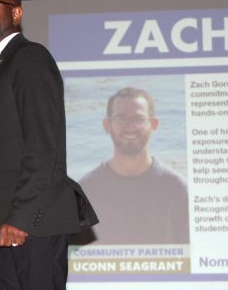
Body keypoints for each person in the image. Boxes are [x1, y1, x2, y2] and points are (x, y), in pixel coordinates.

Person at [0, 0, 98, 290]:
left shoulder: (30, 59)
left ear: (17, 13)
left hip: (31, 222)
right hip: (2, 224)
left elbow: (44, 146)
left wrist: (20, 218)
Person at [80, 87, 189, 244]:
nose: (130, 127)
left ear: (154, 124)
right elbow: (76, 258)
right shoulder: (86, 189)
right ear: (107, 125)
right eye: (121, 118)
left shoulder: (177, 189)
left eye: (138, 119)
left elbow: (190, 258)